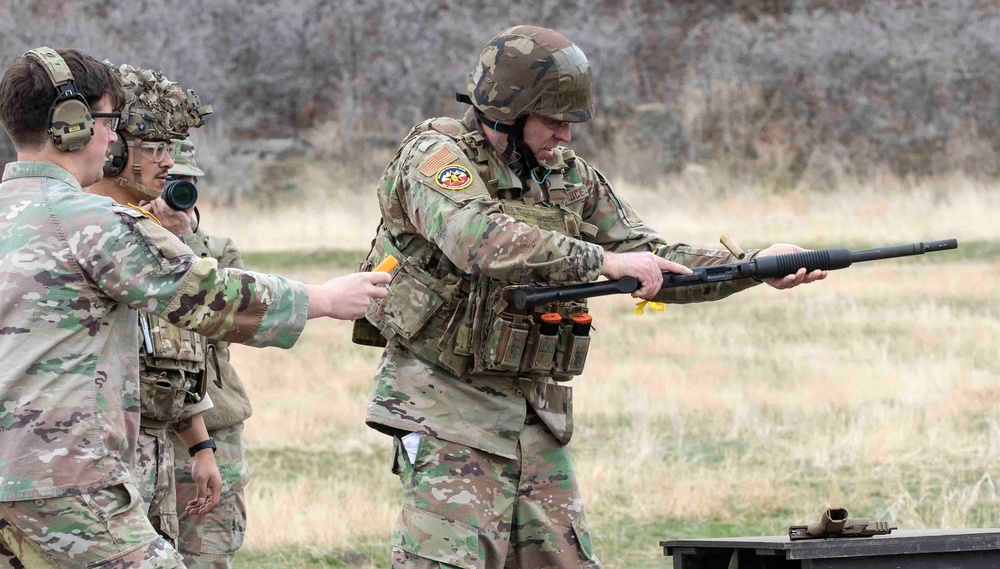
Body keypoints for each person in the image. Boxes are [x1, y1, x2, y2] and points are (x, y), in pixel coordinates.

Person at [357, 26, 826, 568]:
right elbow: (478, 240)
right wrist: (602, 260)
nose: (566, 136)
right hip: (445, 409)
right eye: (554, 121)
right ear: (507, 112)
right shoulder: (434, 159)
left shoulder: (569, 177)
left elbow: (651, 257)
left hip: (535, 417)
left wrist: (756, 266)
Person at [0, 48, 389, 568]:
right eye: (108, 122)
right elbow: (204, 293)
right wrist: (324, 299)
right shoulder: (89, 220)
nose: (113, 137)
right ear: (71, 125)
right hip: (67, 482)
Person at [85, 63, 222, 550]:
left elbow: (166, 358)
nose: (168, 163)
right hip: (95, 466)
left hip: (153, 458)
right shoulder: (89, 230)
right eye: (155, 148)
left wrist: (201, 444)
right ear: (115, 148)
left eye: (170, 148)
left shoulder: (147, 232)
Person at [156, 139, 256, 569]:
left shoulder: (217, 251)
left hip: (211, 428)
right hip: (147, 427)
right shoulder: (120, 244)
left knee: (205, 553)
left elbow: (227, 320)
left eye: (186, 182)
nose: (177, 192)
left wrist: (179, 243)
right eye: (168, 182)